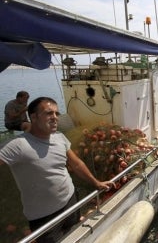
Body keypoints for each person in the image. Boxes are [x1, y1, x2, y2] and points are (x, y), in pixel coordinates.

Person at [0, 97, 115, 242]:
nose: (55, 118)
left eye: (56, 113)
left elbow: (77, 164)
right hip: (44, 218)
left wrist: (96, 182)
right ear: (33, 117)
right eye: (49, 113)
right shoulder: (17, 145)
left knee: (75, 234)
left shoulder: (60, 138)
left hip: (71, 201)